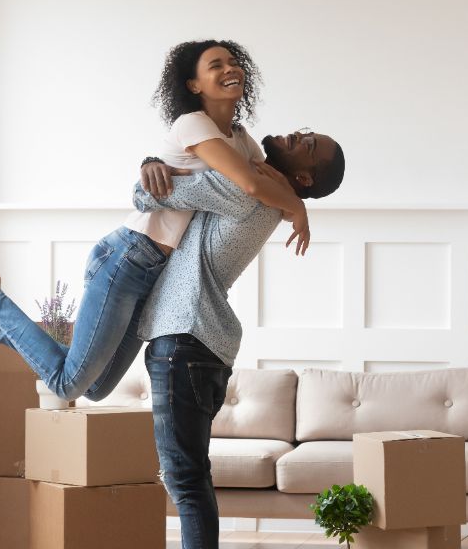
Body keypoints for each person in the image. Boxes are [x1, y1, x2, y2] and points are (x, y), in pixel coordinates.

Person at [0, 39, 310, 403]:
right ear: (194, 85)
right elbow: (250, 185)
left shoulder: (240, 139)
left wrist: (285, 195)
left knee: (96, 388)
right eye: (216, 65)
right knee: (67, 385)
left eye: (233, 62)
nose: (230, 69)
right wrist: (298, 208)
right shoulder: (194, 124)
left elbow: (267, 180)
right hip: (129, 257)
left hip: (154, 273)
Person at [135, 130, 346, 549]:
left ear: (304, 178)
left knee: (185, 480)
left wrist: (150, 166)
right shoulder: (264, 192)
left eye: (307, 145)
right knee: (192, 478)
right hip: (202, 346)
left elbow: (145, 196)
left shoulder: (246, 187)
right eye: (307, 132)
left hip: (185, 338)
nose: (298, 134)